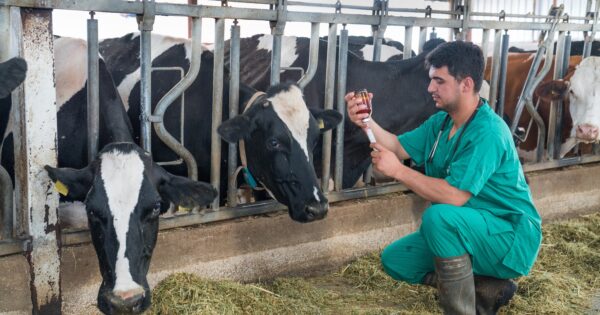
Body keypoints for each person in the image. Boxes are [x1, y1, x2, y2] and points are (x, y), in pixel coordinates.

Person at [345, 41, 542, 315]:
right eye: (431, 80)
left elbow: (455, 196)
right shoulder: (442, 123)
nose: (430, 88)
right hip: (467, 229)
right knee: (396, 260)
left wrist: (398, 171)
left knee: (438, 218)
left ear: (466, 84)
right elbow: (396, 146)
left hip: (508, 237)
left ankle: (461, 309)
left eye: (439, 81)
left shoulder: (488, 132)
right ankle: (484, 287)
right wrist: (365, 121)